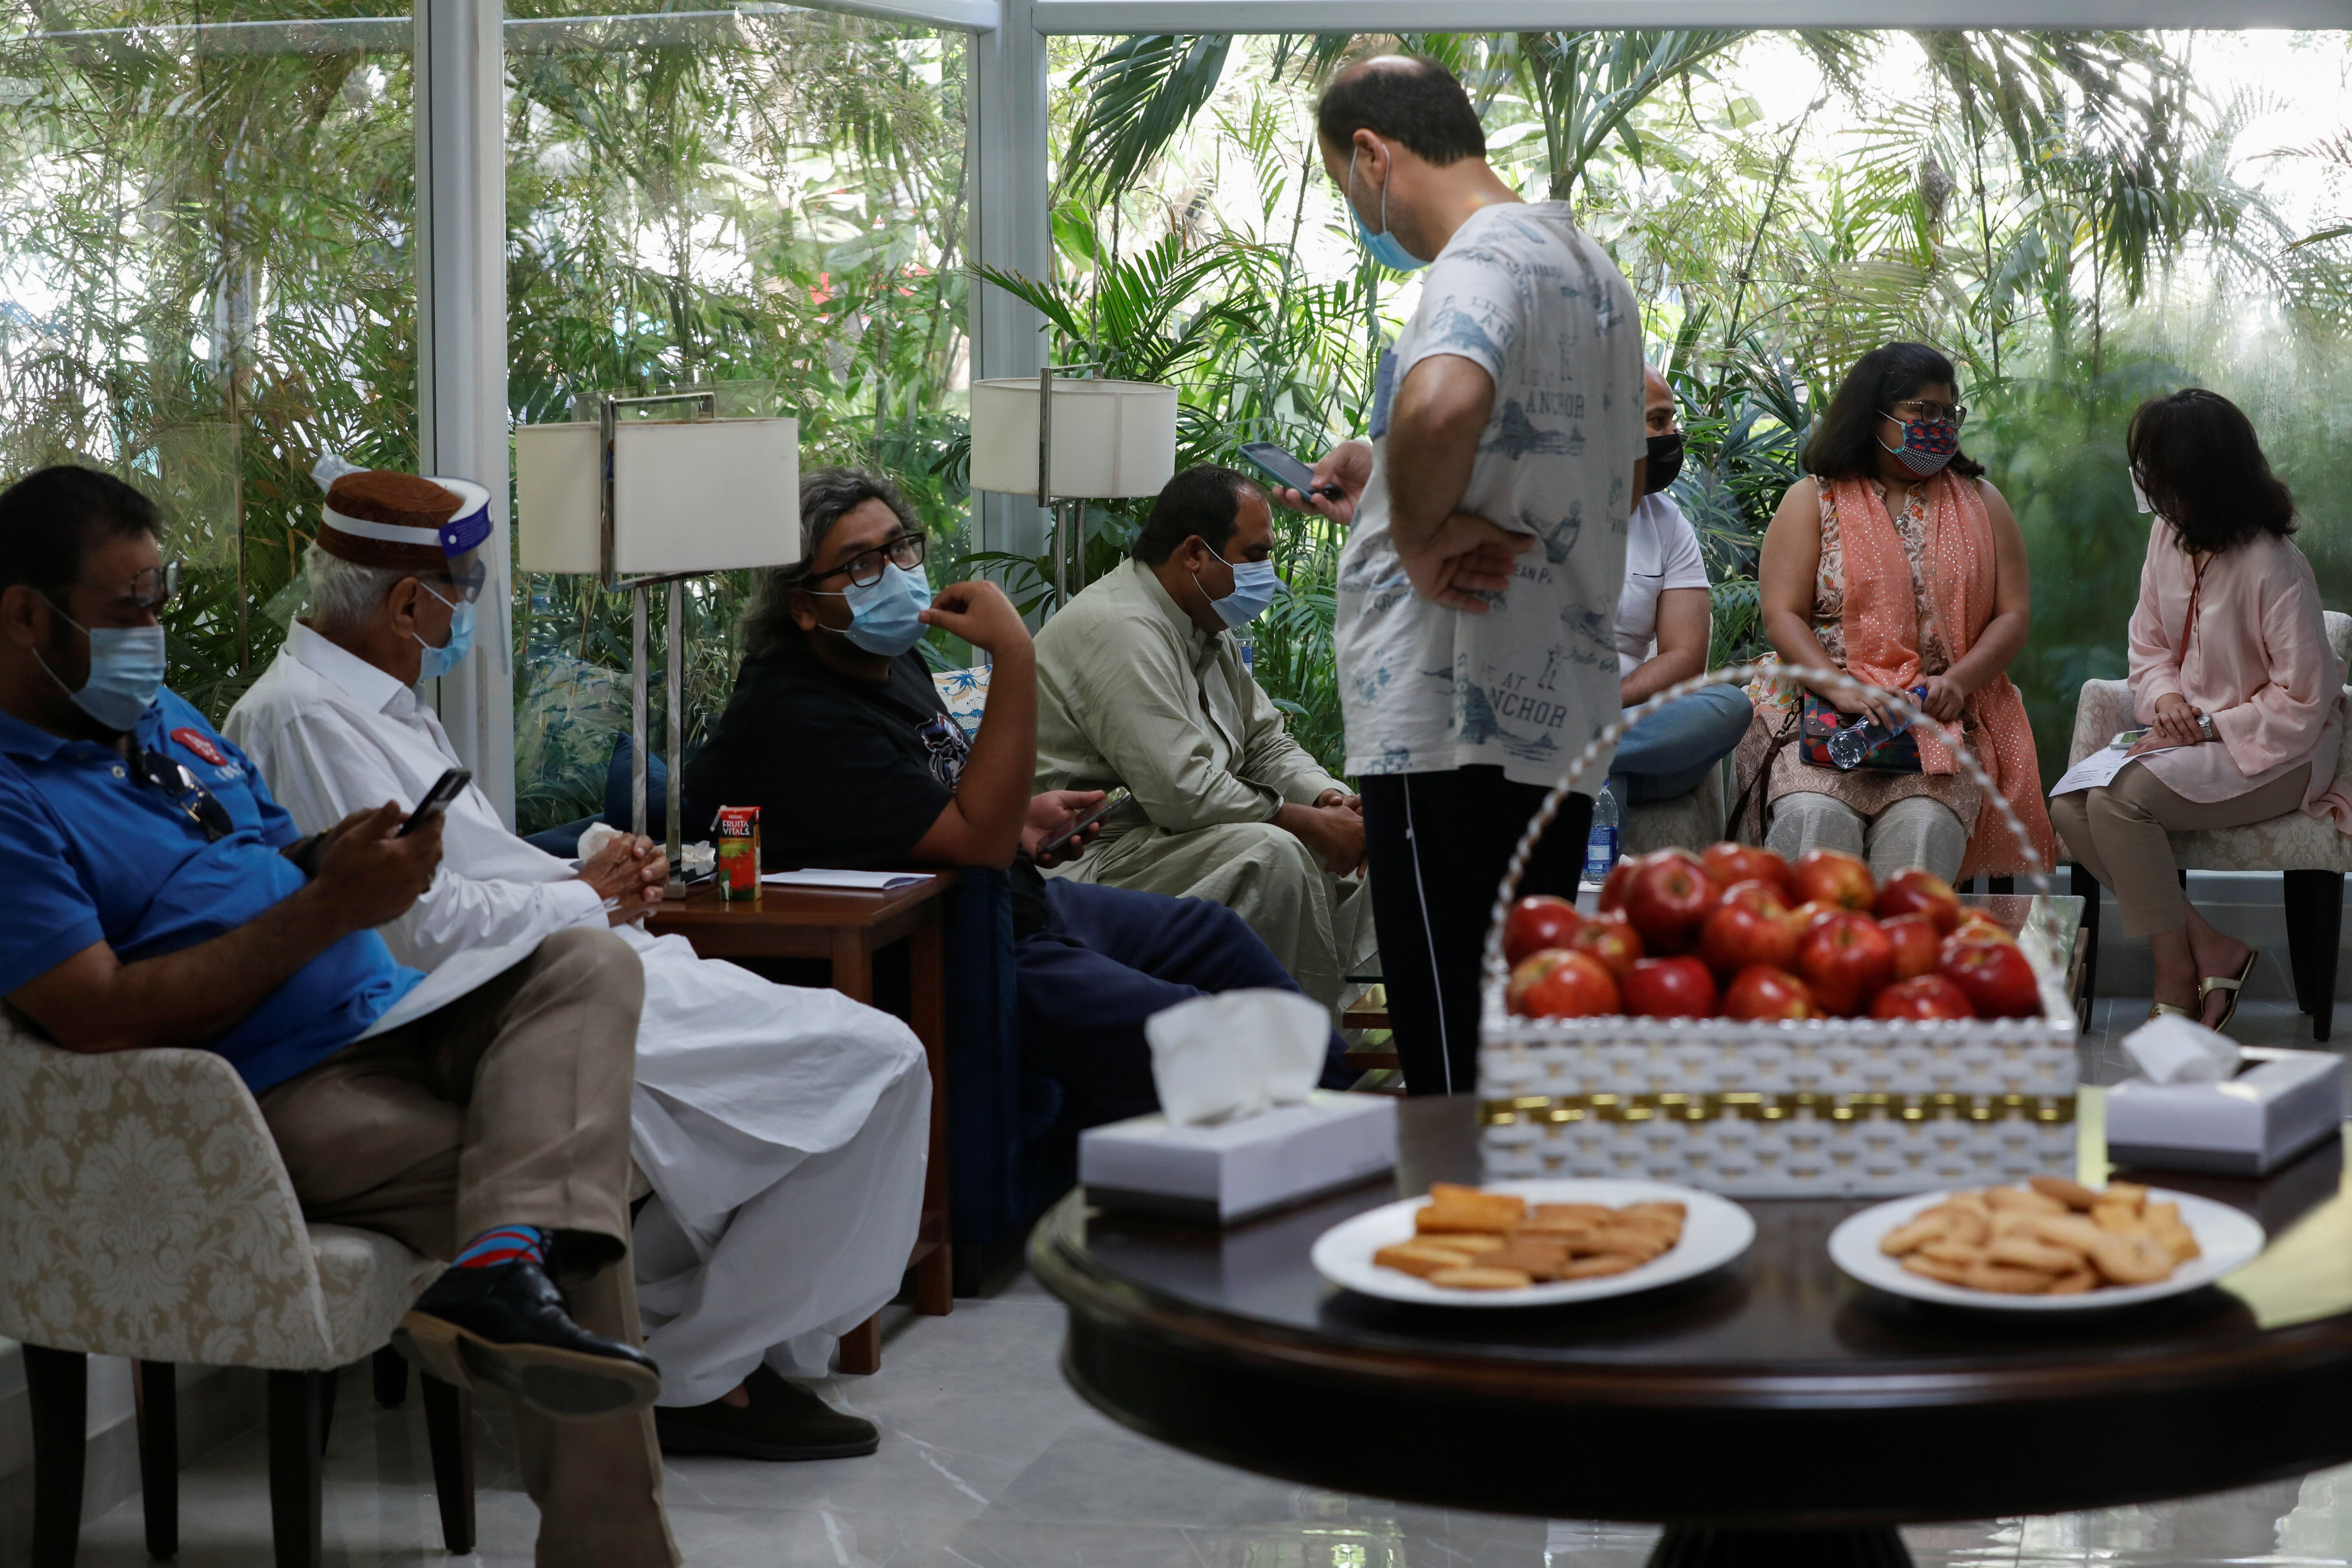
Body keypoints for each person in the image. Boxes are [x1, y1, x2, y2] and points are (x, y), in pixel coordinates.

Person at [0, 465, 680, 1567]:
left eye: (161, 600)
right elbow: (95, 1013)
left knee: (587, 960)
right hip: (262, 1091)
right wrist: (328, 908)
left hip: (387, 1014)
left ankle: (500, 1263)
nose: (155, 633)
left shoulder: (158, 717)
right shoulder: (10, 797)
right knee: (575, 1203)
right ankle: (607, 1536)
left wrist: (346, 855)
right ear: (26, 613)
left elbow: (273, 845)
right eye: (129, 609)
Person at [226, 464, 927, 1463]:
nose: (468, 617)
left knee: (851, 1077)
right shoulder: (304, 719)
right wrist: (585, 897)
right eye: (463, 596)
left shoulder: (384, 701)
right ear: (407, 604)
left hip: (548, 965)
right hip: (477, 1008)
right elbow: (407, 927)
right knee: (873, 1067)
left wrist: (591, 859)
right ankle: (694, 1376)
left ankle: (685, 1353)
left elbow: (469, 865)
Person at [682, 467, 1350, 1131]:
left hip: (1012, 894)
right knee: (1204, 1030)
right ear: (802, 604)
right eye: (860, 565)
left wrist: (1025, 822)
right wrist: (1013, 651)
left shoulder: (887, 663)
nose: (893, 572)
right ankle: (1327, 1140)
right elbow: (972, 839)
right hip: (956, 938)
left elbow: (932, 799)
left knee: (1217, 938)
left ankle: (1341, 1102)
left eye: (899, 547)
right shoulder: (796, 715)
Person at [1275, 55, 1645, 1098]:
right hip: (1555, 706)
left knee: (1445, 1041)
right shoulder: (1586, 266)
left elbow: (1440, 408)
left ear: (1370, 155)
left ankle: (1451, 1237)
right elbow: (1601, 471)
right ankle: (1528, 1236)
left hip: (1448, 711)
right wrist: (1386, 471)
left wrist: (1418, 533)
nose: (1358, 206)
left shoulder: (1475, 259)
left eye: (1347, 184)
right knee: (1523, 1017)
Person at [2050, 390, 2352, 1030]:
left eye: (2157, 468)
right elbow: (2149, 640)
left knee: (2117, 801)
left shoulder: (2275, 564)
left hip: (2280, 752)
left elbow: (2306, 698)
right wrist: (2162, 698)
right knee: (2069, 807)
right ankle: (2211, 947)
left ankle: (2175, 975)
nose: (2147, 483)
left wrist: (2210, 724)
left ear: (2203, 475)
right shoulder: (2168, 536)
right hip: (2192, 742)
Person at [1031, 464, 1378, 1018]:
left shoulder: (1201, 623)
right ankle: (1300, 1056)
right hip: (1089, 859)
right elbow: (1183, 792)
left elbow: (1266, 742)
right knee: (1275, 855)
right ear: (1195, 553)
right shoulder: (1122, 627)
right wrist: (1307, 823)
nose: (1271, 573)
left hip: (1164, 839)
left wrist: (1328, 801)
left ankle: (1340, 1038)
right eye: (1257, 555)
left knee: (1363, 850)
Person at [1737, 341, 2054, 884]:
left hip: (1939, 724)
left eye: (1949, 412)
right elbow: (1783, 614)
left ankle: (1906, 969)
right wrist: (1838, 686)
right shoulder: (1813, 500)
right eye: (1922, 411)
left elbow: (2013, 617)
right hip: (1823, 718)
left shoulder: (1983, 503)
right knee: (1813, 825)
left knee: (1924, 835)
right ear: (1873, 415)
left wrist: (1959, 680)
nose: (1940, 425)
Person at [1609, 364, 1751, 808]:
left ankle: (1578, 753)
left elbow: (1686, 658)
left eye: (1672, 420)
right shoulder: (1529, 509)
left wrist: (1608, 703)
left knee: (1728, 706)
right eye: (1658, 421)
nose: (1674, 434)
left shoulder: (1667, 523)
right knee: (1607, 778)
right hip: (1542, 712)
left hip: (1634, 722)